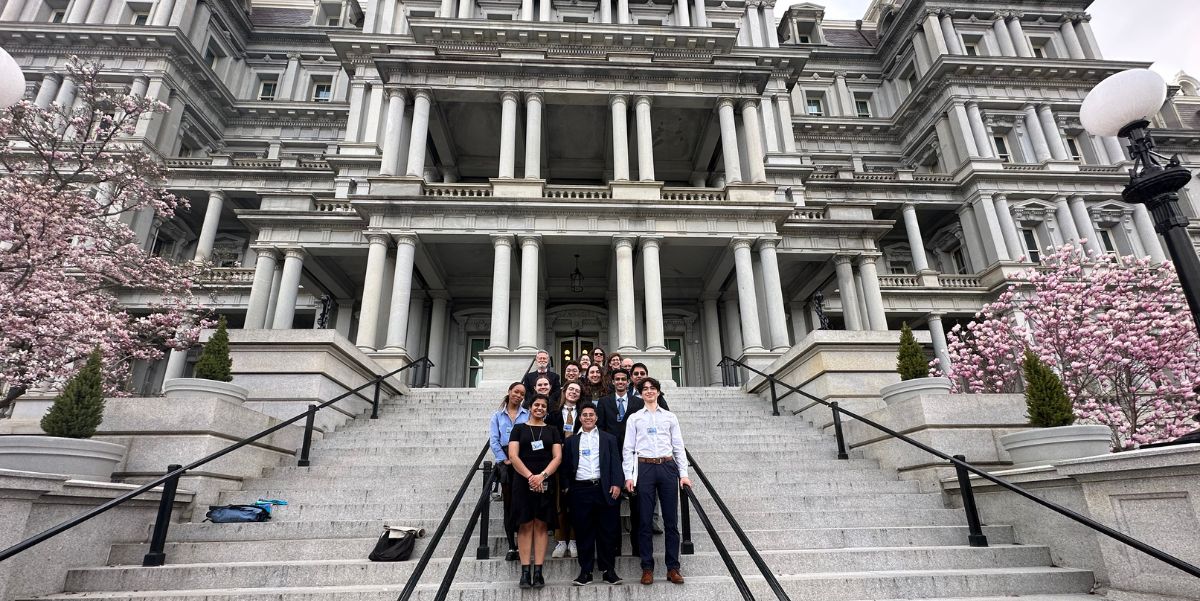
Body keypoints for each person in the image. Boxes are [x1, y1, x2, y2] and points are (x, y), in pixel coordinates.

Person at [623, 377, 691, 585]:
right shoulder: (635, 418)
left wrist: (684, 473)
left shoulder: (670, 417)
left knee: (671, 521)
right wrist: (628, 476)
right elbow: (628, 449)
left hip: (667, 467)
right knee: (644, 520)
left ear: (659, 392)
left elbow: (678, 445)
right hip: (644, 468)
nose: (649, 391)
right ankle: (647, 567)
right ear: (641, 393)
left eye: (653, 388)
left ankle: (673, 568)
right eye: (645, 389)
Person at [561, 403, 624, 586]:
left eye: (591, 415)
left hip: (604, 489)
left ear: (596, 418)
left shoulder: (608, 438)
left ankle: (608, 571)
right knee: (583, 532)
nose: (588, 417)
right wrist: (566, 487)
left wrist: (617, 483)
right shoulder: (571, 441)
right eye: (585, 415)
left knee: (607, 532)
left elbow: (616, 463)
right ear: (579, 418)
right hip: (580, 491)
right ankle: (585, 571)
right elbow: (565, 466)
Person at [508, 394, 563, 589]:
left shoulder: (553, 430)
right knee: (525, 524)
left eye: (543, 406)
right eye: (536, 405)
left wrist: (542, 476)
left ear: (547, 410)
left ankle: (538, 571)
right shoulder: (518, 429)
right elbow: (513, 455)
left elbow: (557, 457)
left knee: (540, 524)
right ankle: (525, 572)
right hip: (523, 481)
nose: (539, 408)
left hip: (545, 480)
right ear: (530, 407)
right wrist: (531, 477)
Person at [488, 382, 530, 560]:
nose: (519, 396)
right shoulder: (497, 416)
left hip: (523, 461)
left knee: (522, 504)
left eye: (522, 394)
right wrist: (504, 459)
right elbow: (494, 439)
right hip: (506, 462)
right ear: (509, 392)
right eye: (516, 392)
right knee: (509, 505)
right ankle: (511, 546)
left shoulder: (527, 415)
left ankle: (522, 546)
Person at [546, 381, 584, 558]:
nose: (573, 393)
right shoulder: (553, 415)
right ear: (564, 391)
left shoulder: (585, 414)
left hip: (579, 462)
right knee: (559, 502)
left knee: (576, 502)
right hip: (557, 462)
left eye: (577, 391)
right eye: (571, 389)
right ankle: (561, 541)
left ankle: (575, 540)